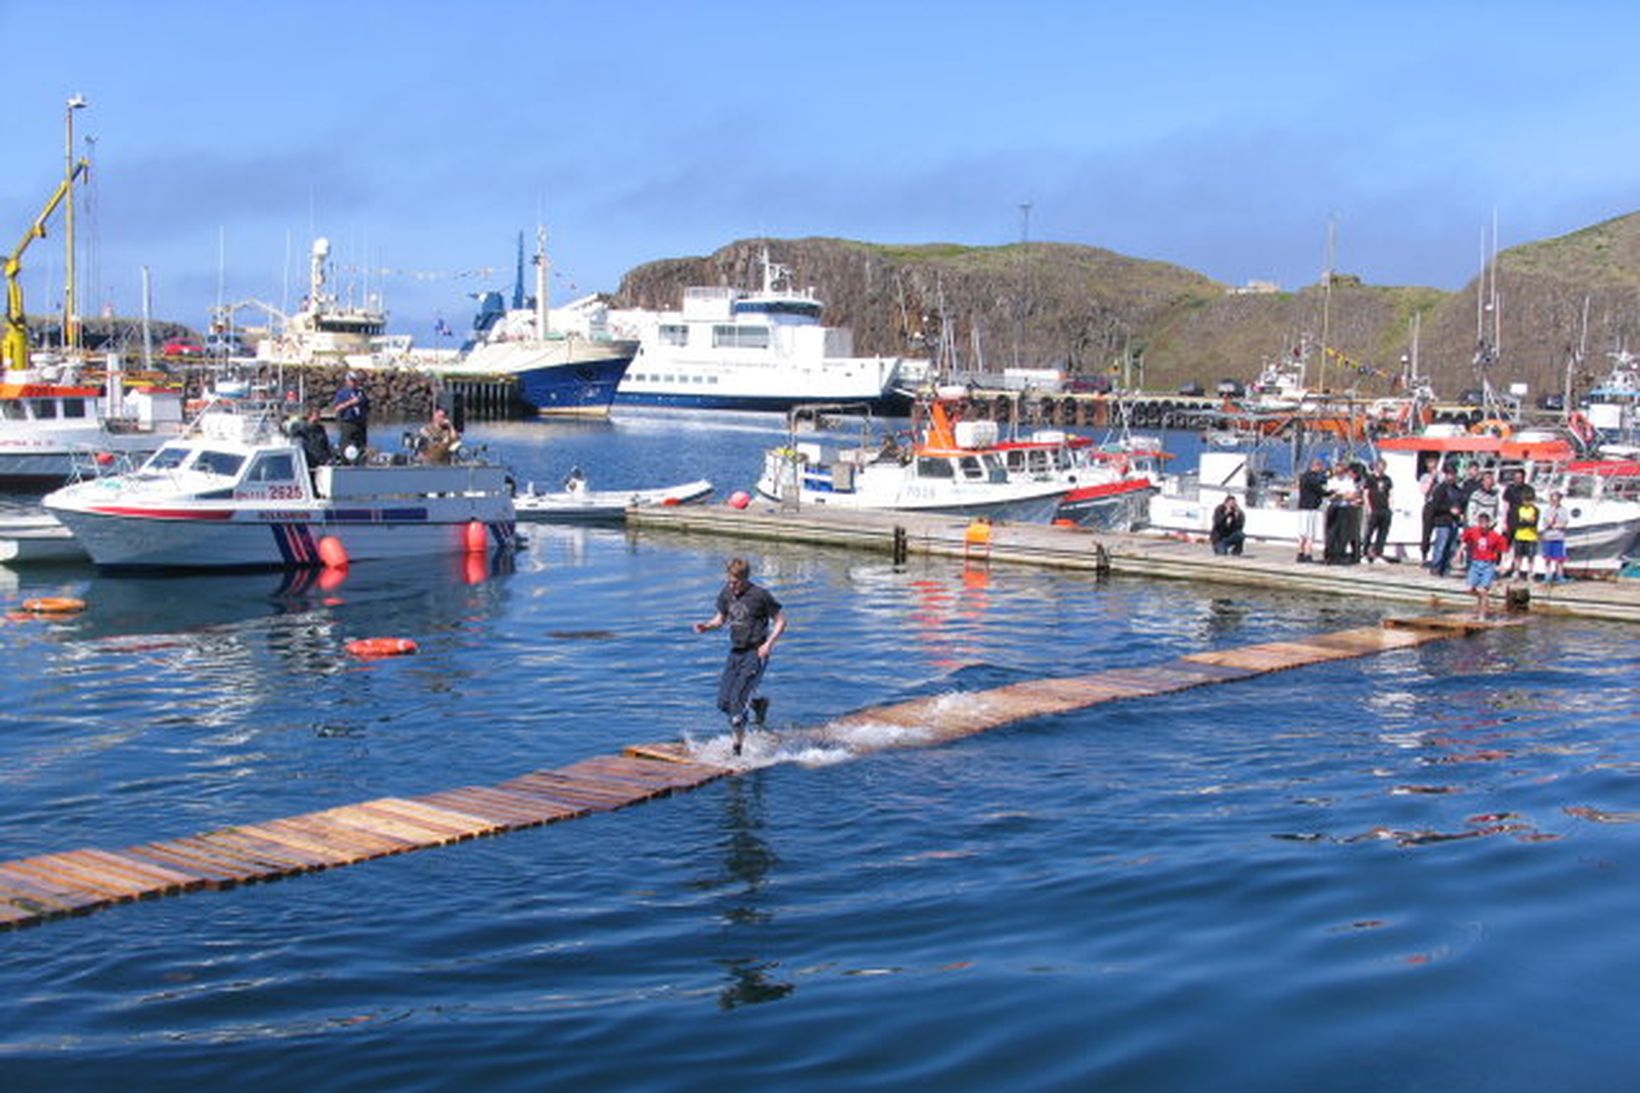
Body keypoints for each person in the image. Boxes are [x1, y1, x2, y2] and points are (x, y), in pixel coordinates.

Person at [693, 557, 787, 756]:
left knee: (736, 703)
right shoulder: (727, 592)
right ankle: (757, 705)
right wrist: (707, 626)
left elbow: (780, 621)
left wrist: (769, 644)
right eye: (729, 581)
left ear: (745, 579)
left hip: (755, 653)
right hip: (735, 652)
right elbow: (721, 618)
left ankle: (737, 750)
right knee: (723, 702)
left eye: (735, 582)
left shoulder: (760, 595)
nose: (731, 585)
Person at [1459, 511, 1510, 619]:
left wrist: (1502, 564)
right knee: (1470, 589)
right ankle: (1484, 602)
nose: (1483, 526)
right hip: (1476, 563)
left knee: (1483, 590)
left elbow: (1504, 550)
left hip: (1488, 564)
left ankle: (1482, 615)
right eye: (1481, 523)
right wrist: (1459, 552)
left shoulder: (1495, 536)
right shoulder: (1473, 531)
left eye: (1485, 523)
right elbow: (1464, 540)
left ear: (1489, 523)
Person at [1426, 465, 1464, 577]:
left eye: (1453, 474)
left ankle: (1445, 568)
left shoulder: (1457, 490)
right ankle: (1436, 567)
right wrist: (1449, 510)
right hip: (1442, 521)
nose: (1451, 477)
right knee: (1440, 545)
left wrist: (1460, 511)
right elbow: (1435, 506)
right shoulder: (1440, 489)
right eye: (1449, 474)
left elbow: (1461, 502)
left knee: (1451, 546)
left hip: (1454, 521)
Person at [1295, 457, 1328, 563]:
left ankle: (1300, 553)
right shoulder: (1313, 478)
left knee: (1302, 533)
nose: (1320, 468)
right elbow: (1320, 491)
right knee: (1310, 533)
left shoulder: (1303, 477)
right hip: (1311, 508)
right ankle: (1308, 554)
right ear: (1316, 466)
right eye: (1319, 466)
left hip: (1302, 507)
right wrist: (1331, 493)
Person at [332, 371, 370, 463]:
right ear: (347, 381)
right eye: (352, 381)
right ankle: (345, 462)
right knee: (345, 446)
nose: (354, 383)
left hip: (360, 423)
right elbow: (337, 408)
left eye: (355, 381)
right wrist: (350, 403)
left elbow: (367, 406)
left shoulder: (360, 393)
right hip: (348, 422)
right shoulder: (342, 393)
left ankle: (360, 463)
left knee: (361, 446)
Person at [1362, 458, 1394, 564]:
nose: (1381, 469)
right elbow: (1366, 494)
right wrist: (1369, 508)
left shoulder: (1387, 479)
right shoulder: (1370, 479)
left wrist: (1390, 507)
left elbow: (1390, 493)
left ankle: (1378, 554)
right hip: (1374, 509)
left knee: (1383, 533)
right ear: (1376, 466)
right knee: (1370, 532)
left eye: (1383, 467)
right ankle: (1365, 554)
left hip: (1384, 509)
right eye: (1380, 466)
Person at [1508, 485, 1540, 580]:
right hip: (1520, 535)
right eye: (1525, 500)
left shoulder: (1535, 510)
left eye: (1529, 500)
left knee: (1531, 557)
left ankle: (1530, 572)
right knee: (1518, 556)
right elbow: (1517, 522)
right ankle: (1516, 571)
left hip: (1531, 536)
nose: (1527, 502)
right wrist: (1526, 521)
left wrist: (1525, 521)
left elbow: (1534, 522)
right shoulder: (1519, 509)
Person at [1539, 488, 1570, 583]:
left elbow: (1564, 524)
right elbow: (1546, 523)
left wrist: (1556, 525)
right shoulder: (1547, 510)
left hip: (1559, 537)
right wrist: (1552, 521)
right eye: (1553, 500)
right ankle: (1548, 575)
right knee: (1547, 559)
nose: (1555, 502)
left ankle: (1559, 575)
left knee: (1559, 559)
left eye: (1556, 500)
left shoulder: (1563, 510)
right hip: (1548, 537)